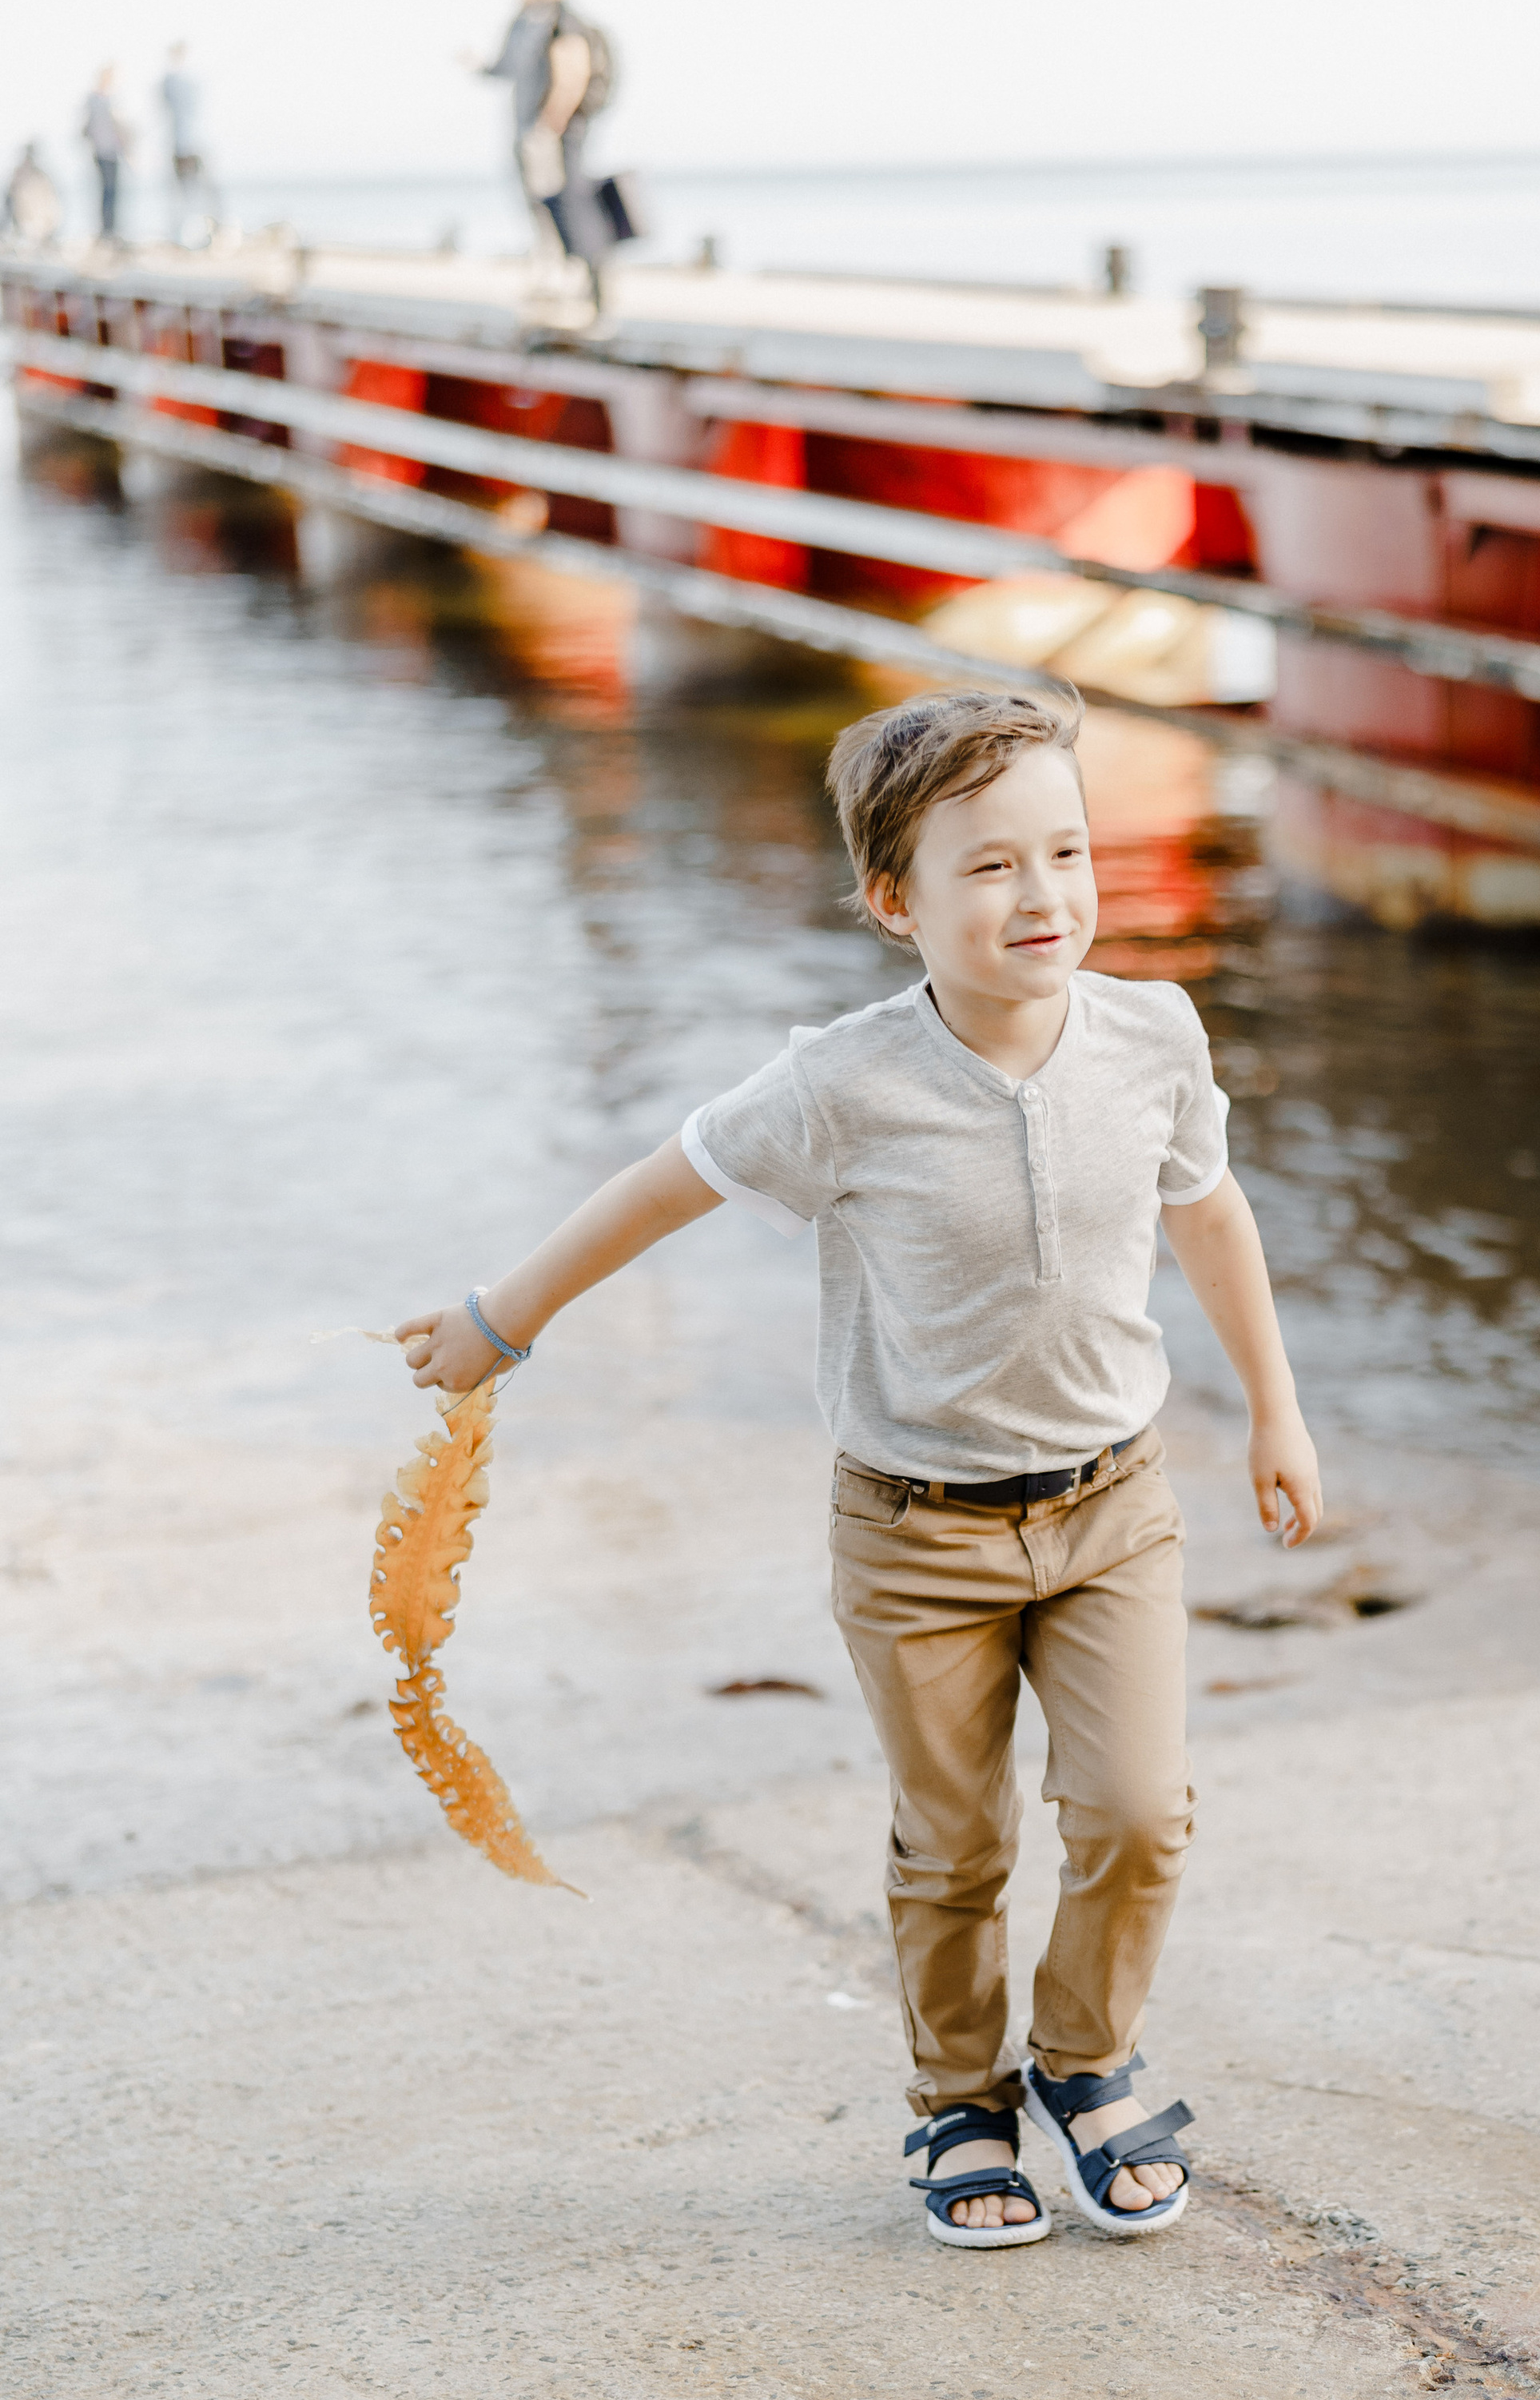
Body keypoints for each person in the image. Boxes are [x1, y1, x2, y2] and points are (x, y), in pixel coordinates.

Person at [396, 685, 1323, 2251]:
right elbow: (660, 1186)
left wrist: (1279, 1413)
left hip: (1113, 1509)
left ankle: (1084, 2063)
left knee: (1136, 1810)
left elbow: (1209, 1215)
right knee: (953, 1838)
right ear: (893, 901)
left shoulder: (1152, 1034)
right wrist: (505, 1317)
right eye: (989, 868)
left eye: (1065, 852)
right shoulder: (840, 1086)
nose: (1043, 897)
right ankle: (957, 2101)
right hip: (914, 1537)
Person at [477, 0, 613, 308]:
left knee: (561, 201)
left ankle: (578, 279)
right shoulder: (525, 22)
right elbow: (505, 67)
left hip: (554, 133)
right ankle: (560, 275)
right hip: (533, 131)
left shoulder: (563, 21)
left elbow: (572, 75)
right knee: (541, 203)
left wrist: (549, 126)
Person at [160, 44, 212, 233]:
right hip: (185, 144)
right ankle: (189, 228)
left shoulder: (176, 80)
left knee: (191, 190)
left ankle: (193, 227)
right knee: (187, 190)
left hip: (189, 143)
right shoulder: (180, 80)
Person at [82, 67, 131, 242]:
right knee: (109, 191)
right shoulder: (101, 100)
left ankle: (109, 229)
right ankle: (107, 230)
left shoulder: (99, 100)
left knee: (110, 192)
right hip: (105, 151)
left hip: (108, 151)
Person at [3, 141, 61, 245]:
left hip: (38, 224)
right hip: (25, 223)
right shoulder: (21, 174)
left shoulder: (41, 177)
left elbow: (51, 204)